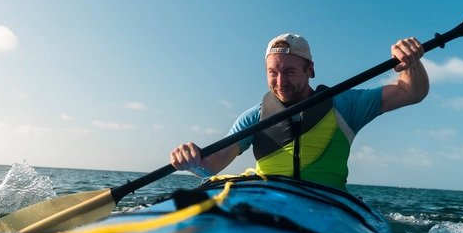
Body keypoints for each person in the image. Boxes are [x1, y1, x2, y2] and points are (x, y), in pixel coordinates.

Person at [170, 33, 429, 190]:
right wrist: (193, 160)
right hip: (268, 205)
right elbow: (213, 165)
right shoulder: (254, 117)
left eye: (290, 72)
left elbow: (411, 92)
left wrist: (411, 63)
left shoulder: (345, 105)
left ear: (310, 70)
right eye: (273, 73)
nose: (280, 82)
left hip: (327, 205)